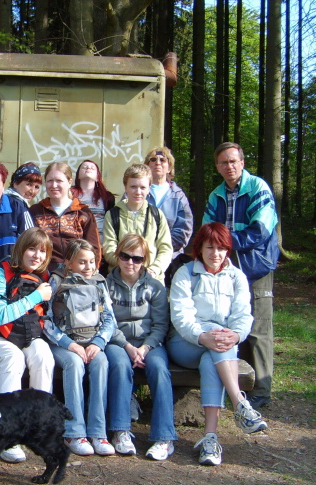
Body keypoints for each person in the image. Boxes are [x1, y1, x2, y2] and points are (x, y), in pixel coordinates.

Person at [167, 223, 267, 466]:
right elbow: (181, 316)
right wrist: (203, 336)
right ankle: (240, 403)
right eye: (210, 247)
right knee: (218, 339)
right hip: (185, 343)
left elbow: (243, 315)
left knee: (220, 347)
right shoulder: (186, 273)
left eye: (221, 248)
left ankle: (210, 439)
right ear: (199, 248)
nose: (216, 254)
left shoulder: (237, 276)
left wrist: (236, 335)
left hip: (219, 347)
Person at [203, 142, 279, 410]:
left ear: (242, 162)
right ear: (217, 167)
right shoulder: (216, 195)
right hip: (227, 270)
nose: (229, 166)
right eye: (223, 162)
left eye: (233, 161)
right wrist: (217, 245)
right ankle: (240, 386)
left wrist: (223, 243)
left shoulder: (258, 188)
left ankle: (261, 390)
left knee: (258, 329)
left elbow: (262, 229)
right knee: (233, 323)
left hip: (256, 267)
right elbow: (206, 230)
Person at [0, 227, 55, 463]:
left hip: (28, 336)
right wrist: (35, 297)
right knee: (14, 359)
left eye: (43, 252)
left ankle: (38, 425)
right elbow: (0, 315)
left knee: (44, 355)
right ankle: (4, 433)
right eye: (32, 249)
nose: (37, 256)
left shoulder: (42, 278)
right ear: (21, 249)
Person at [105, 234, 176, 460]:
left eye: (137, 258)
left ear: (144, 260)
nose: (130, 263)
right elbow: (106, 322)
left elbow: (160, 324)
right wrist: (126, 346)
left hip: (149, 343)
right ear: (117, 256)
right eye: (125, 256)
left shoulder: (155, 287)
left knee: (159, 369)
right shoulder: (105, 284)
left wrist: (145, 348)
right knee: (118, 365)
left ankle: (164, 436)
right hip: (118, 341)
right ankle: (120, 430)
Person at [44, 239, 116, 457]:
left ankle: (98, 431)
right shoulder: (56, 282)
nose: (89, 267)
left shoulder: (99, 283)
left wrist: (99, 342)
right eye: (82, 262)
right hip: (63, 343)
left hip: (91, 342)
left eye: (92, 262)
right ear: (69, 263)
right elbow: (45, 320)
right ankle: (74, 432)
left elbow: (110, 319)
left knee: (102, 362)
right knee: (74, 365)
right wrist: (69, 344)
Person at [102, 164, 172, 282]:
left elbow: (166, 248)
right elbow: (109, 248)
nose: (138, 192)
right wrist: (128, 266)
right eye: (133, 186)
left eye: (143, 187)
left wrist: (154, 269)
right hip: (120, 280)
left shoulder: (157, 215)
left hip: (151, 279)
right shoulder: (113, 215)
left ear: (149, 188)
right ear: (126, 187)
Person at [29, 162, 101, 272]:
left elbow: (94, 247)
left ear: (69, 182)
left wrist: (92, 271)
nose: (54, 185)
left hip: (77, 273)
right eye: (50, 181)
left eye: (59, 181)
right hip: (44, 273)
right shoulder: (35, 211)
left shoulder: (83, 212)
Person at [144, 147, 193, 259]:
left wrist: (160, 248)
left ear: (169, 167)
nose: (158, 163)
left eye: (163, 160)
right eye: (153, 159)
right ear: (147, 165)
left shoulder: (179, 196)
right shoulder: (135, 191)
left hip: (170, 257)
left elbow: (184, 230)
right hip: (139, 256)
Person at [72, 159, 115, 243]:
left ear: (97, 177)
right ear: (78, 175)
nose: (88, 168)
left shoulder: (107, 197)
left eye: (92, 168)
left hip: (100, 243)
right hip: (77, 243)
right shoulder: (70, 195)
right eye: (84, 167)